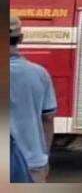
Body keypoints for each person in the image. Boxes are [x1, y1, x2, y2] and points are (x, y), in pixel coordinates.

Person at [10, 15, 57, 182]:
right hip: (32, 163)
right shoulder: (39, 74)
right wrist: (44, 158)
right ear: (21, 38)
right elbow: (48, 119)